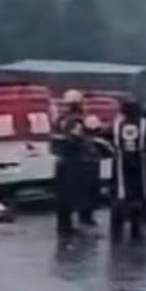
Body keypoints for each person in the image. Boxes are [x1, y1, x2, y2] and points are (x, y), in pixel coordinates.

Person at [51, 90, 89, 239]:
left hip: (60, 160)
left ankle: (63, 226)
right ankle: (67, 227)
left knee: (61, 195)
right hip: (73, 161)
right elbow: (75, 140)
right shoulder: (76, 121)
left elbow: (53, 140)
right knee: (71, 194)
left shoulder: (59, 119)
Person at [109, 98, 146, 241]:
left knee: (119, 197)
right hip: (138, 165)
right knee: (137, 197)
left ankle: (116, 231)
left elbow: (103, 139)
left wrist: (114, 150)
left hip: (120, 165)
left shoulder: (117, 124)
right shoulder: (144, 124)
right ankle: (135, 231)